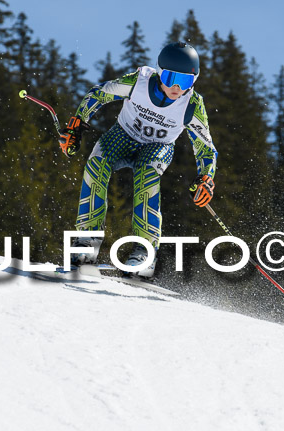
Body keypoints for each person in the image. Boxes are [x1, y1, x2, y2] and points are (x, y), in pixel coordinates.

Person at [58, 42, 218, 279]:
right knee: (96, 163)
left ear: (194, 81)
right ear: (158, 71)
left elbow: (205, 147)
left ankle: (145, 252)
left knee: (147, 173)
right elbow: (100, 93)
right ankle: (86, 242)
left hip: (158, 148)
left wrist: (206, 177)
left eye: (184, 81)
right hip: (123, 136)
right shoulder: (139, 82)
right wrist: (77, 124)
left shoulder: (192, 105)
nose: (176, 87)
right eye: (170, 77)